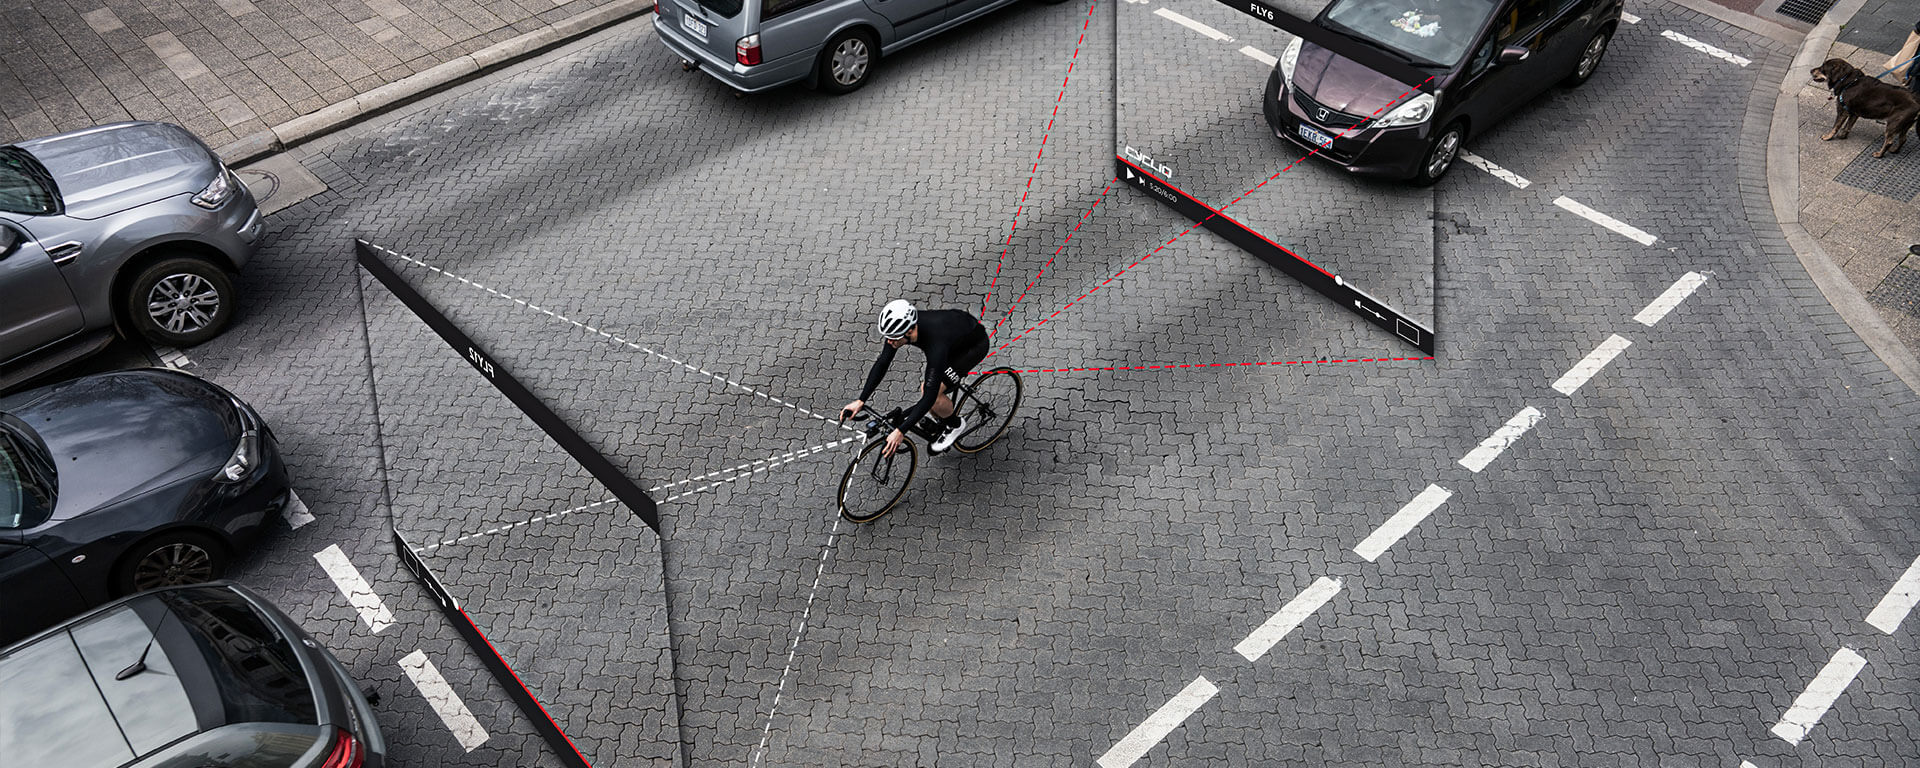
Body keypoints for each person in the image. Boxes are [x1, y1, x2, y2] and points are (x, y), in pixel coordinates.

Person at [840, 300, 990, 456]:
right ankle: (943, 417)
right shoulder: (900, 329)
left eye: (893, 338)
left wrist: (901, 431)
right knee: (930, 393)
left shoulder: (935, 343)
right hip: (953, 337)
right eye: (888, 337)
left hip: (972, 347)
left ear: (910, 331)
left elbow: (930, 396)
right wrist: (861, 400)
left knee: (932, 393)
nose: (889, 342)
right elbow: (883, 362)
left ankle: (955, 425)